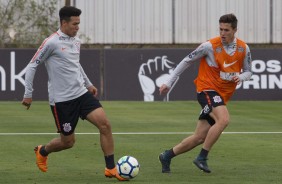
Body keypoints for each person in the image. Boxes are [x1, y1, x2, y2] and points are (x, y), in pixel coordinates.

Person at [22, 6, 127, 181]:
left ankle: (111, 168)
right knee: (67, 142)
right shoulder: (51, 42)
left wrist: (88, 83)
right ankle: (43, 151)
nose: (78, 27)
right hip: (62, 101)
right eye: (75, 24)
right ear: (64, 23)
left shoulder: (75, 40)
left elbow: (75, 64)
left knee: (105, 125)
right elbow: (33, 64)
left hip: (81, 94)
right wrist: (28, 93)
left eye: (79, 23)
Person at [158, 13, 252, 173]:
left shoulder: (243, 48)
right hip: (206, 90)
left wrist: (240, 76)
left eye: (226, 30)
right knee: (223, 120)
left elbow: (249, 71)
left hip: (222, 96)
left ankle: (167, 155)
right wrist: (169, 82)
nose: (222, 33)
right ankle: (202, 157)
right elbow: (186, 61)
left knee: (199, 137)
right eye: (220, 29)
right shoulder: (209, 46)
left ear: (235, 30)